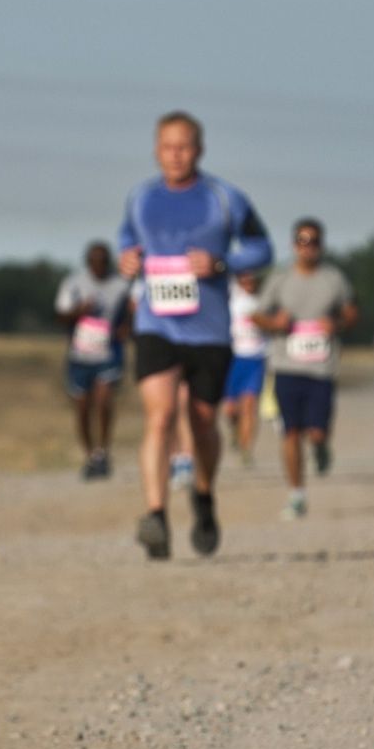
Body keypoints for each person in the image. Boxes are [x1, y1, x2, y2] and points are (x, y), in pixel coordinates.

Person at [117, 111, 272, 559]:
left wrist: (223, 263)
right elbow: (127, 241)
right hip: (156, 324)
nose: (176, 155)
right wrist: (128, 260)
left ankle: (203, 498)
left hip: (208, 330)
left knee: (202, 422)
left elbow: (262, 248)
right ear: (155, 150)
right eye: (167, 146)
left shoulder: (225, 198)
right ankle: (156, 516)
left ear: (199, 150)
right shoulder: (141, 198)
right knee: (160, 416)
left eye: (184, 146)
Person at [254, 218, 357, 520]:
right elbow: (257, 315)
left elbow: (352, 312)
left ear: (321, 245)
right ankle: (297, 494)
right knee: (290, 432)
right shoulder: (280, 279)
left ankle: (322, 447)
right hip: (286, 365)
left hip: (321, 369)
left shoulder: (333, 279)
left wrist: (336, 323)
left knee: (315, 432)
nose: (307, 247)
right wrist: (274, 323)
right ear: (293, 244)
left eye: (313, 241)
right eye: (302, 240)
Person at [54, 241, 131, 479]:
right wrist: (79, 310)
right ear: (88, 263)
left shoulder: (120, 285)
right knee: (83, 407)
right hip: (79, 355)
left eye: (103, 262)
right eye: (95, 262)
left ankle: (103, 451)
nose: (99, 266)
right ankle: (89, 455)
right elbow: (60, 315)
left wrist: (126, 328)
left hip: (108, 354)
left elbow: (132, 312)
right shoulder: (73, 283)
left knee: (104, 400)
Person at [222, 271, 269, 464]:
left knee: (250, 405)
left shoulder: (264, 300)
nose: (249, 281)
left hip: (256, 359)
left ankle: (246, 448)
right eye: (245, 277)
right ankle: (235, 430)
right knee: (231, 410)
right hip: (233, 358)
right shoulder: (231, 297)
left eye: (252, 277)